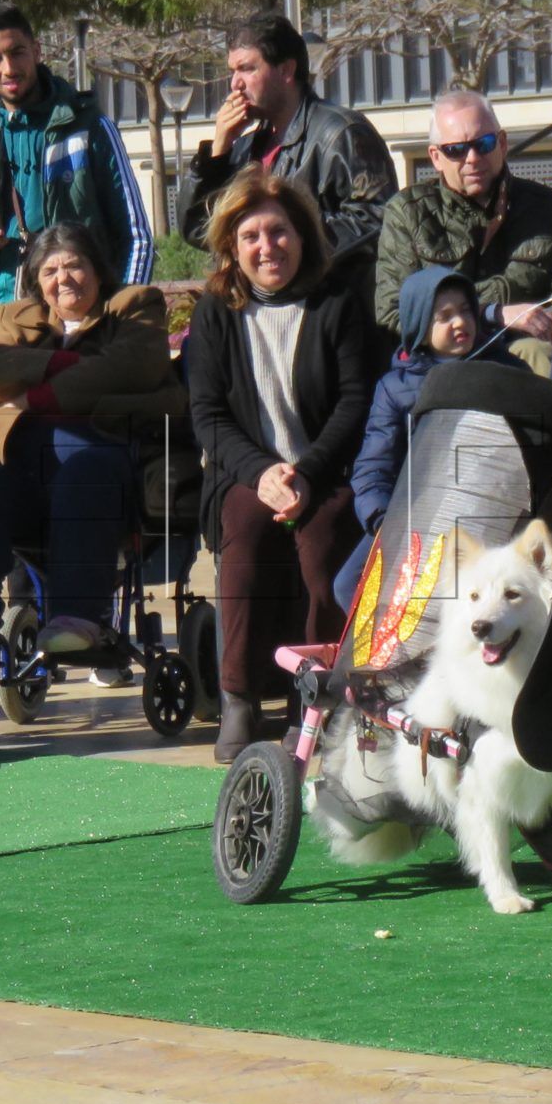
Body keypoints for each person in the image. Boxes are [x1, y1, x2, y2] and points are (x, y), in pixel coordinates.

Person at [0, 220, 174, 669]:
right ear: (37, 281)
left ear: (98, 270)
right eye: (50, 271)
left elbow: (134, 365)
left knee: (83, 465)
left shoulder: (132, 307)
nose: (63, 279)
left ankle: (78, 619)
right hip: (19, 469)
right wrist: (64, 362)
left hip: (103, 467)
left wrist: (36, 396)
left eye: (75, 266)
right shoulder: (19, 317)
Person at [185, 168, 377, 762]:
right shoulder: (215, 311)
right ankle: (239, 696)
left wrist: (306, 473)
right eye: (251, 236)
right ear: (231, 246)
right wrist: (262, 474)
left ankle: (312, 698)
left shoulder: (337, 303)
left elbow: (355, 402)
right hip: (244, 474)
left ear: (302, 235)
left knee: (322, 544)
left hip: (326, 471)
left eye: (279, 232)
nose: (267, 247)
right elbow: (207, 413)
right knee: (245, 532)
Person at [0, 2, 152, 339]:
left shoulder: (90, 128)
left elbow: (137, 236)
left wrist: (120, 320)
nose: (9, 68)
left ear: (36, 50)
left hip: (79, 330)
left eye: (17, 53)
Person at [335, 264, 504, 609]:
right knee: (349, 584)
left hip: (486, 508)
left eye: (465, 310)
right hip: (413, 515)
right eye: (444, 316)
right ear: (419, 326)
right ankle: (389, 643)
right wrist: (384, 520)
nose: (460, 322)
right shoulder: (395, 387)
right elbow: (374, 464)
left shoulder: (503, 371)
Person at [371, 91, 552, 349]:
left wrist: (542, 323)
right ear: (436, 157)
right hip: (444, 358)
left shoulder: (550, 210)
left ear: (502, 143)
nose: (472, 158)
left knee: (535, 350)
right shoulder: (408, 214)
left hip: (529, 352)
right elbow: (393, 312)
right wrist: (491, 314)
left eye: (484, 144)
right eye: (456, 150)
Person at [175, 12, 396, 256]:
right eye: (233, 71)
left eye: (247, 69)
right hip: (259, 284)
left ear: (286, 70)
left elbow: (375, 222)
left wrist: (288, 239)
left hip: (324, 282)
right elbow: (198, 230)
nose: (235, 84)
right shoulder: (246, 147)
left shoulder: (341, 133)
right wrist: (218, 153)